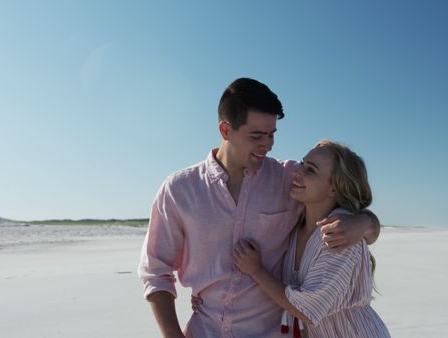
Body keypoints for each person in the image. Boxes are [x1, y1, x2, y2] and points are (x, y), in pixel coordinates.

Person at [138, 78, 381, 338]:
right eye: (256, 136)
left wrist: (366, 222)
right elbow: (156, 271)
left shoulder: (289, 179)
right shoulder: (179, 189)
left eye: (272, 134)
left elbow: (340, 197)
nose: (268, 144)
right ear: (225, 130)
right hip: (204, 331)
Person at [233, 140, 390, 337]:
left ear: (334, 188)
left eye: (311, 170)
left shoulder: (339, 236)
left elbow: (306, 309)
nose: (297, 172)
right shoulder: (297, 225)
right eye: (302, 163)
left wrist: (255, 270)